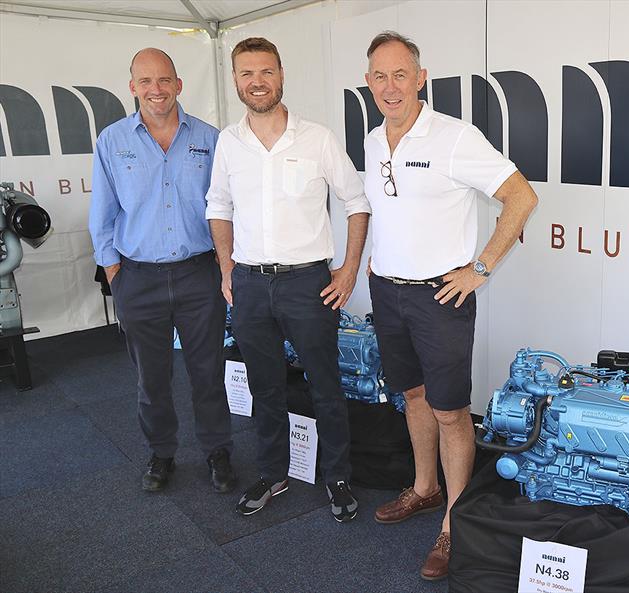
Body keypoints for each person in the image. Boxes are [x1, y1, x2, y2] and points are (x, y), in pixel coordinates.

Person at [363, 31, 539, 580]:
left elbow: (521, 196)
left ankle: (453, 524)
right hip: (387, 292)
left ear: (421, 79)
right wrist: (373, 261)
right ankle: (424, 487)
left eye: (400, 75)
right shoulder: (371, 140)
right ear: (368, 85)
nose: (390, 87)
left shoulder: (455, 137)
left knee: (449, 411)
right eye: (379, 76)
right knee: (412, 396)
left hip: (439, 298)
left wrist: (480, 268)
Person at [205, 37, 371, 523]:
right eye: (246, 73)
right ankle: (272, 472)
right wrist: (226, 266)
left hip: (308, 283)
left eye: (266, 71)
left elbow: (357, 201)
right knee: (265, 386)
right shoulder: (228, 142)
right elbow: (218, 205)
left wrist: (348, 269)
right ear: (236, 80)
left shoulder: (317, 138)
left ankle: (337, 477)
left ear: (281, 74)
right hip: (251, 284)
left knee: (325, 385)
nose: (257, 82)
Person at [89, 48, 236, 493]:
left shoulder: (211, 139)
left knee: (208, 373)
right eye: (145, 82)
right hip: (138, 278)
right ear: (132, 87)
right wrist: (116, 274)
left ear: (178, 84)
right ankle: (161, 453)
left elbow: (226, 209)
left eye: (164, 80)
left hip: (199, 275)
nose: (156, 90)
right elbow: (102, 214)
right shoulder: (112, 142)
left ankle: (218, 452)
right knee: (151, 378)